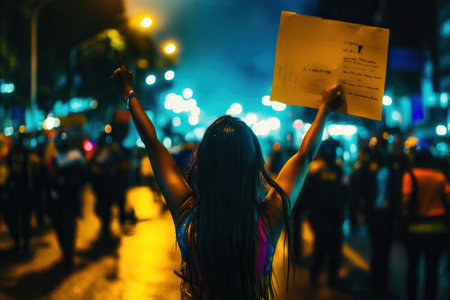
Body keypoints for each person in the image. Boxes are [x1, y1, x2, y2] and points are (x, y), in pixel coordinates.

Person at [111, 49, 343, 299]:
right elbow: (305, 156)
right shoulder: (268, 220)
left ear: (205, 165)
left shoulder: (188, 216)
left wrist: (129, 92)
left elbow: (153, 144)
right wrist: (325, 108)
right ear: (253, 165)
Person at [401, 149, 450, 300]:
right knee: (432, 270)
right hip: (437, 229)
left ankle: (411, 295)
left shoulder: (410, 175)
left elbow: (406, 200)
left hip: (415, 229)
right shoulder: (439, 176)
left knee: (412, 267)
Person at [301, 139, 345, 286]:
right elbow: (347, 193)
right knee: (332, 249)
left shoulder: (316, 171)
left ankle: (316, 276)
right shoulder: (338, 171)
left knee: (321, 247)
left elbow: (306, 194)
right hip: (330, 216)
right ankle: (328, 278)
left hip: (322, 216)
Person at [47, 131, 86, 268]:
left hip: (66, 198)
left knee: (65, 228)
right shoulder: (68, 157)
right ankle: (68, 254)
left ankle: (67, 255)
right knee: (66, 227)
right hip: (65, 199)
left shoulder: (65, 157)